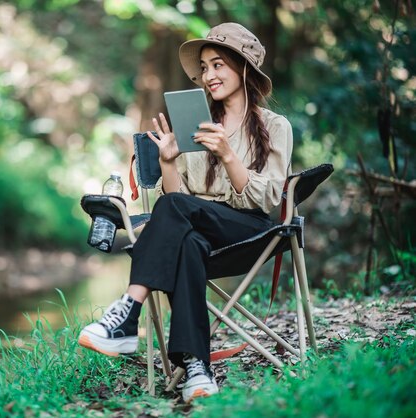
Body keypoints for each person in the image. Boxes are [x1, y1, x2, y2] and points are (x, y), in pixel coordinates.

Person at [78, 22, 293, 403]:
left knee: (180, 215)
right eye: (205, 67)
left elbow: (266, 201)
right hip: (200, 232)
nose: (209, 75)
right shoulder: (195, 126)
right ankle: (197, 366)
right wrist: (169, 163)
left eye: (218, 65)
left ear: (244, 68)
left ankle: (129, 310)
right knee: (188, 242)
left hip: (250, 231)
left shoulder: (276, 127)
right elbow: (178, 203)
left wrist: (227, 154)